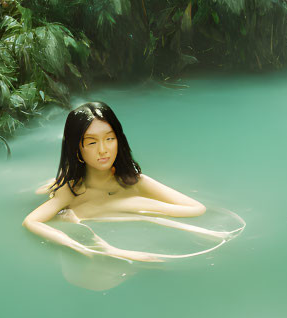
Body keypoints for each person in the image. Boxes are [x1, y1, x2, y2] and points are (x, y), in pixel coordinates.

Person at [22, 101, 206, 263]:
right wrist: (78, 246)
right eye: (92, 143)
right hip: (87, 259)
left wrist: (136, 204)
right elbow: (31, 222)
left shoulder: (134, 181)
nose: (103, 150)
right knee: (66, 214)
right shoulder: (71, 190)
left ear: (119, 140)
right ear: (77, 148)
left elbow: (197, 208)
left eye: (109, 139)